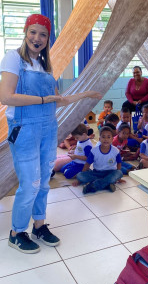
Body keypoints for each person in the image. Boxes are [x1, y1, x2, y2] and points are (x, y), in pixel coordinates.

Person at [0, 14, 101, 254]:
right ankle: (16, 233)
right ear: (26, 32)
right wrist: (44, 99)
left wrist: (84, 94)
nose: (37, 38)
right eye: (33, 32)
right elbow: (6, 96)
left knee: (44, 179)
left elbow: (58, 100)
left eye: (43, 34)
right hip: (24, 128)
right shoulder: (13, 58)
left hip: (48, 128)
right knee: (31, 182)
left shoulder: (45, 65)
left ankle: (39, 225)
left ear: (47, 38)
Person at [76, 126, 123, 194]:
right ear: (99, 139)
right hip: (97, 173)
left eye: (108, 137)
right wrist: (80, 179)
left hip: (110, 173)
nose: (106, 139)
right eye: (103, 137)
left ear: (112, 139)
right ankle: (107, 184)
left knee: (119, 173)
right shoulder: (94, 151)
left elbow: (119, 163)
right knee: (80, 175)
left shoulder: (116, 151)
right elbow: (87, 164)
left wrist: (118, 178)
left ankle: (93, 186)